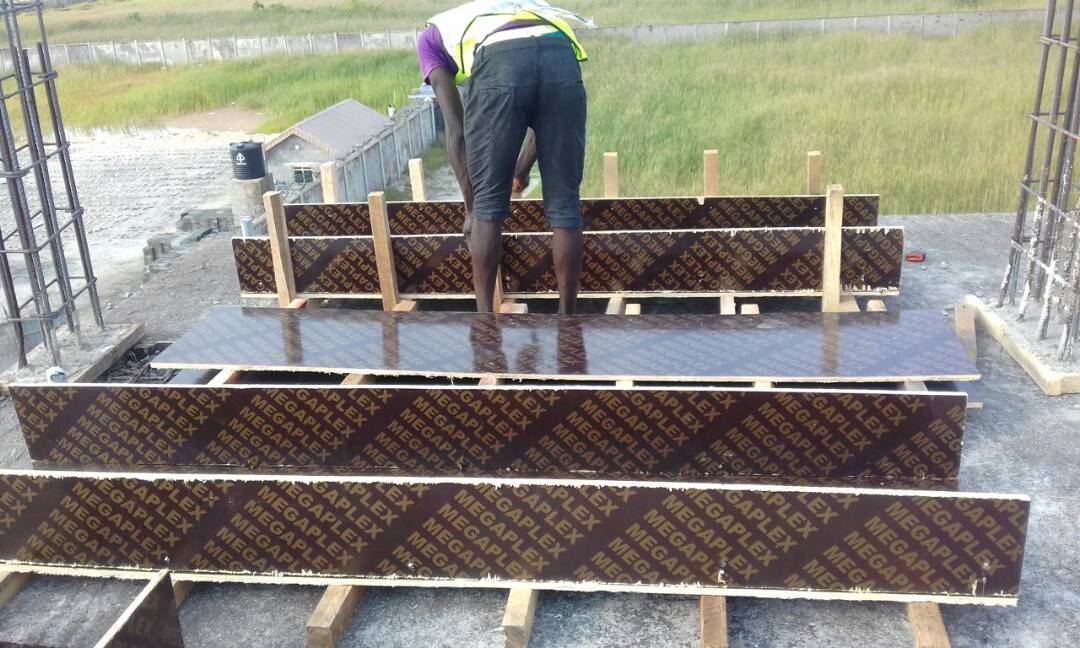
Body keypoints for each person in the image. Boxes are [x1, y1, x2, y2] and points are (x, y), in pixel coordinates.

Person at [415, 0, 593, 314]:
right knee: (566, 205)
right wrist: (520, 172)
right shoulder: (529, 7)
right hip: (561, 58)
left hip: (500, 63)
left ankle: (486, 321)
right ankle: (568, 320)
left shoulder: (430, 38)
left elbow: (456, 130)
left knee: (487, 208)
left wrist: (472, 206)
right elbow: (543, 125)